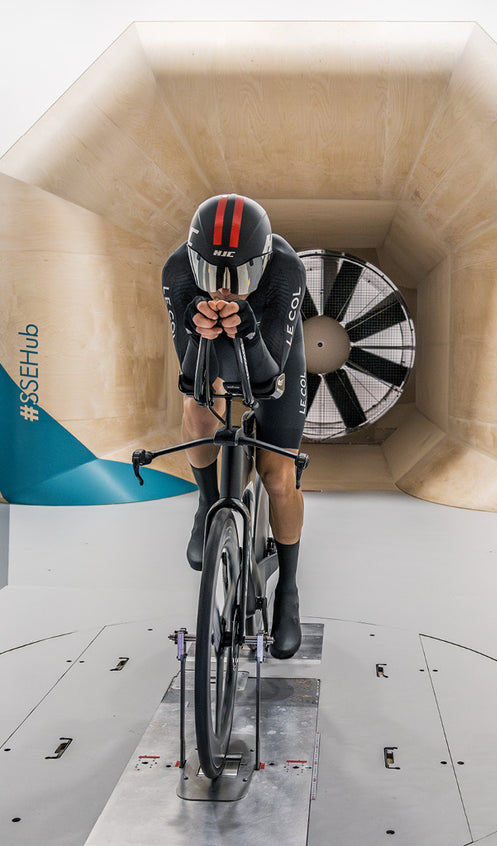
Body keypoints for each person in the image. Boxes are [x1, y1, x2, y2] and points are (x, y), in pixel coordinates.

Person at [161, 194, 307, 659]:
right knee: (198, 409)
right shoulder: (178, 273)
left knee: (278, 476)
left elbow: (268, 383)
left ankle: (288, 591)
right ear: (195, 262)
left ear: (262, 264)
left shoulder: (285, 270)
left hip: (272, 355)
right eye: (213, 277)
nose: (224, 290)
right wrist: (196, 331)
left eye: (240, 278)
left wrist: (245, 329)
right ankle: (208, 502)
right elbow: (192, 381)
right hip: (215, 353)